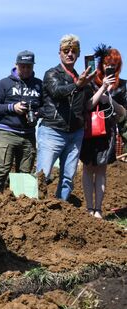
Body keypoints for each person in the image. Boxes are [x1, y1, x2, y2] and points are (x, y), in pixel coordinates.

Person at [37, 34, 96, 201]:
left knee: (68, 178)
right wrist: (78, 85)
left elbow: (88, 104)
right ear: (60, 53)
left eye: (74, 51)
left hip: (75, 133)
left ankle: (60, 210)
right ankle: (37, 209)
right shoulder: (52, 73)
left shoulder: (82, 78)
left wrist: (102, 86)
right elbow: (57, 92)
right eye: (66, 50)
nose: (70, 54)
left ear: (78, 54)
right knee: (43, 175)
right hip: (52, 131)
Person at [80, 46, 127, 218]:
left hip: (107, 132)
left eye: (113, 65)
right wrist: (102, 89)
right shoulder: (91, 82)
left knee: (101, 170)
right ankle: (88, 208)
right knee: (87, 168)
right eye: (107, 64)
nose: (110, 67)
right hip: (89, 130)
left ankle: (98, 209)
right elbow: (87, 105)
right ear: (101, 65)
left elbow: (123, 113)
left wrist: (110, 100)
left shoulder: (123, 86)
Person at [0, 51, 43, 192]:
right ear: (16, 65)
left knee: (25, 174)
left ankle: (22, 207)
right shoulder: (4, 83)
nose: (25, 70)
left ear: (33, 66)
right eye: (22, 66)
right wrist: (13, 107)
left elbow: (47, 108)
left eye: (28, 67)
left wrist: (36, 114)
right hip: (8, 134)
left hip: (29, 136)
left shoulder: (39, 85)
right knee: (1, 170)